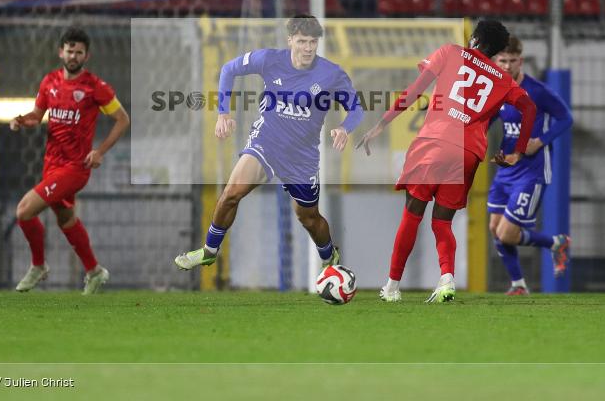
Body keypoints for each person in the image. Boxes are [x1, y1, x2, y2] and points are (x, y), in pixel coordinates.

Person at [355, 19, 536, 303]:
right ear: (496, 51)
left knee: (412, 215)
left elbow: (413, 91)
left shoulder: (451, 52)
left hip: (433, 143)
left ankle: (391, 287)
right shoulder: (503, 79)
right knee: (442, 222)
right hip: (467, 153)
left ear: (474, 39)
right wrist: (518, 151)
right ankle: (447, 280)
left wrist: (380, 125)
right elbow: (529, 107)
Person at [174, 15, 363, 272]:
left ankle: (330, 257)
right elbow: (229, 69)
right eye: (302, 41)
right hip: (266, 142)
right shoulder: (269, 59)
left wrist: (344, 127)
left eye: (312, 42)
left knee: (308, 217)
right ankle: (209, 250)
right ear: (290, 41)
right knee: (231, 193)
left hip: (302, 157)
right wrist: (223, 112)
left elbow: (356, 109)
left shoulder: (331, 74)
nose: (308, 48)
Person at [10, 27, 130, 295]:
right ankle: (95, 271)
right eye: (69, 50)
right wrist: (20, 120)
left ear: (86, 56)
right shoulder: (49, 82)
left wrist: (100, 151)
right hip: (51, 164)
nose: (73, 56)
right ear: (60, 51)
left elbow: (123, 119)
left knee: (23, 211)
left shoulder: (95, 88)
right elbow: (37, 115)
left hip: (76, 168)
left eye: (79, 52)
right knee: (66, 220)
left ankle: (38, 265)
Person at [489, 37, 573, 296]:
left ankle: (555, 243)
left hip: (532, 171)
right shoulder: (497, 90)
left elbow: (565, 117)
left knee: (506, 233)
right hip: (506, 169)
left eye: (512, 61)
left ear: (520, 61)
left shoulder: (537, 91)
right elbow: (487, 119)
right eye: (502, 60)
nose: (507, 65)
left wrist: (540, 141)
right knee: (495, 228)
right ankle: (518, 285)